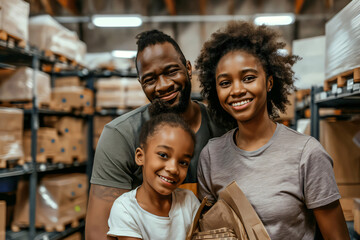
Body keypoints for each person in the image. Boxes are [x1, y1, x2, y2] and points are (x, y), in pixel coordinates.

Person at [195, 21, 350, 240]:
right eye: (225, 82)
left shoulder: (306, 153)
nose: (237, 90)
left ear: (269, 82)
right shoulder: (211, 156)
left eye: (248, 78)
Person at [85, 30, 225, 239]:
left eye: (171, 71)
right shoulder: (120, 136)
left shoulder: (224, 125)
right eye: (150, 79)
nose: (163, 85)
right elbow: (98, 234)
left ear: (188, 68)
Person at [107, 113, 200, 240]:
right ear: (140, 157)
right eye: (163, 155)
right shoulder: (125, 209)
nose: (173, 169)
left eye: (183, 162)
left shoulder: (189, 201)